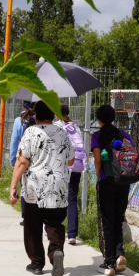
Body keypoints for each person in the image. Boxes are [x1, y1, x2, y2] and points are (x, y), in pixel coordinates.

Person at [10, 100, 74, 276]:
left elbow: (22, 161)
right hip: (58, 186)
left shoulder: (31, 132)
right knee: (55, 224)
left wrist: (13, 186)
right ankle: (55, 253)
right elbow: (70, 161)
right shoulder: (62, 132)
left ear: (36, 115)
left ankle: (37, 263)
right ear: (53, 114)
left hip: (34, 187)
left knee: (32, 224)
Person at [91, 104, 133, 276]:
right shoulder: (124, 134)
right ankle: (120, 255)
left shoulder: (97, 136)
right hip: (124, 181)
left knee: (107, 221)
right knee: (118, 219)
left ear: (99, 120)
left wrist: (97, 174)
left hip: (106, 181)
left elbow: (97, 160)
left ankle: (109, 262)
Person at [54, 102, 85, 245]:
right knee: (71, 200)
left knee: (56, 197)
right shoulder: (75, 127)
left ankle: (53, 228)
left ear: (56, 113)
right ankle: (72, 234)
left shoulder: (56, 126)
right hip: (75, 166)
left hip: (60, 167)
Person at [10, 101, 35, 225]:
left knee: (24, 186)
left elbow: (14, 142)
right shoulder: (39, 120)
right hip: (36, 156)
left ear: (23, 105)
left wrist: (13, 162)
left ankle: (26, 217)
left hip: (22, 155)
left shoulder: (18, 121)